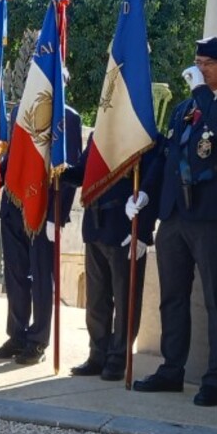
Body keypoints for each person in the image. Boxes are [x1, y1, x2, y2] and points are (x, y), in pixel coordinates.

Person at [131, 37, 217, 404]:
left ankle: (216, 379)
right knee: (172, 297)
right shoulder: (184, 109)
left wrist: (202, 92)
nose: (202, 68)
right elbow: (169, 158)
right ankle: (173, 369)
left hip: (211, 216)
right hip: (175, 213)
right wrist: (148, 197)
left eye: (209, 63)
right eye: (198, 61)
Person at [0, 105, 83, 367]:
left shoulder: (68, 118)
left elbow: (68, 169)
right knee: (15, 275)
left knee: (41, 277)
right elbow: (15, 156)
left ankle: (38, 340)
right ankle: (16, 336)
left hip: (43, 208)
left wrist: (57, 215)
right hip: (14, 205)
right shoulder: (21, 108)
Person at [65, 143, 158, 380]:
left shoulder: (144, 135)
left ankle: (118, 358)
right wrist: (58, 170)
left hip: (125, 229)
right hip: (95, 226)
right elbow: (82, 173)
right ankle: (97, 355)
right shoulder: (99, 136)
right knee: (96, 300)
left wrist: (143, 234)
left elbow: (152, 185)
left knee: (126, 299)